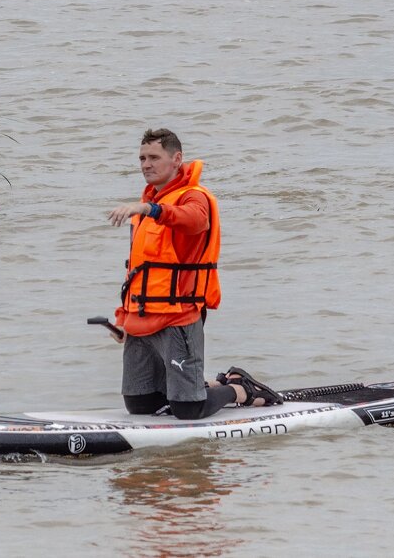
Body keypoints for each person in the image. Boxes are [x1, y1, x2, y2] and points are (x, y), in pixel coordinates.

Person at [104, 128, 281, 419]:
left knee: (188, 408)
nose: (146, 164)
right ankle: (206, 383)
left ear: (177, 159)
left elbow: (195, 221)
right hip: (141, 319)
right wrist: (123, 318)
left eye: (154, 157)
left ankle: (240, 389)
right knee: (140, 404)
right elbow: (136, 272)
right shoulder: (145, 209)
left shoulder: (193, 197)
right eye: (142, 158)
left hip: (179, 316)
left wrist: (150, 208)